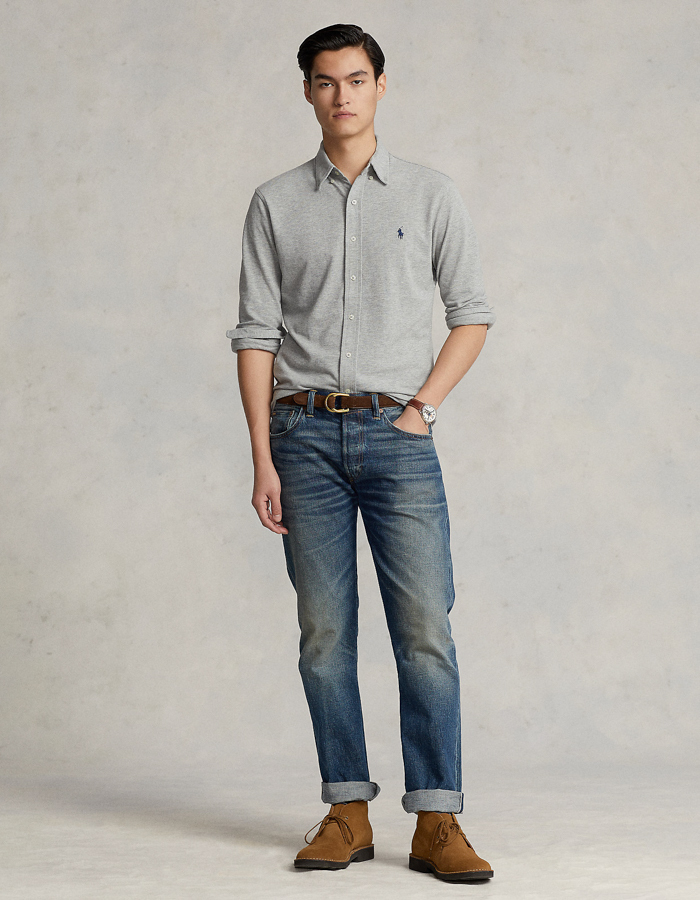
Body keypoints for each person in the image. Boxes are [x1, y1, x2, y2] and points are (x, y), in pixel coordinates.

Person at [227, 23, 495, 883]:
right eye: (324, 81)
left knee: (425, 631)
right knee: (323, 634)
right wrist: (263, 458)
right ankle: (347, 811)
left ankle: (438, 820)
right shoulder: (275, 202)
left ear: (381, 85)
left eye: (355, 78)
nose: (340, 94)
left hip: (397, 437)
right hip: (302, 438)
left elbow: (472, 314)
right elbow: (256, 333)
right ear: (307, 92)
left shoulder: (430, 194)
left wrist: (422, 410)